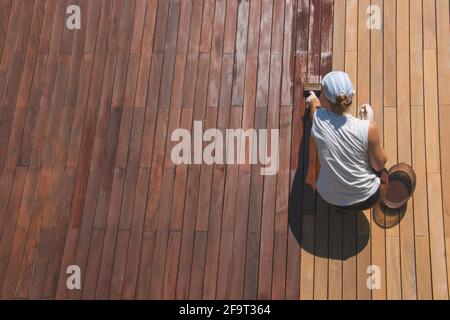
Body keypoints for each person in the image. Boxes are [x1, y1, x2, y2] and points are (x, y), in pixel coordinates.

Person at [306, 71, 388, 211]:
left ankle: (342, 209)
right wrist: (368, 122)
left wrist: (312, 98)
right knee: (384, 172)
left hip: (331, 198)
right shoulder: (369, 128)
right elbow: (378, 164)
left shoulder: (318, 119)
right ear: (351, 95)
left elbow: (313, 104)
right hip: (367, 198)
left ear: (327, 99)